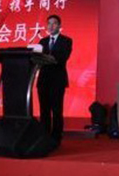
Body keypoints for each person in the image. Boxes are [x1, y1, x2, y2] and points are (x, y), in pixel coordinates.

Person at [37, 14, 72, 146]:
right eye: (49, 23)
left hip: (57, 81)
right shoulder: (42, 42)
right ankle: (44, 137)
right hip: (43, 80)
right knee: (44, 111)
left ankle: (56, 138)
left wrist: (48, 58)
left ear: (59, 26)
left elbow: (62, 58)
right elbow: (37, 59)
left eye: (54, 23)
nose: (51, 26)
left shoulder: (66, 41)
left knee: (57, 111)